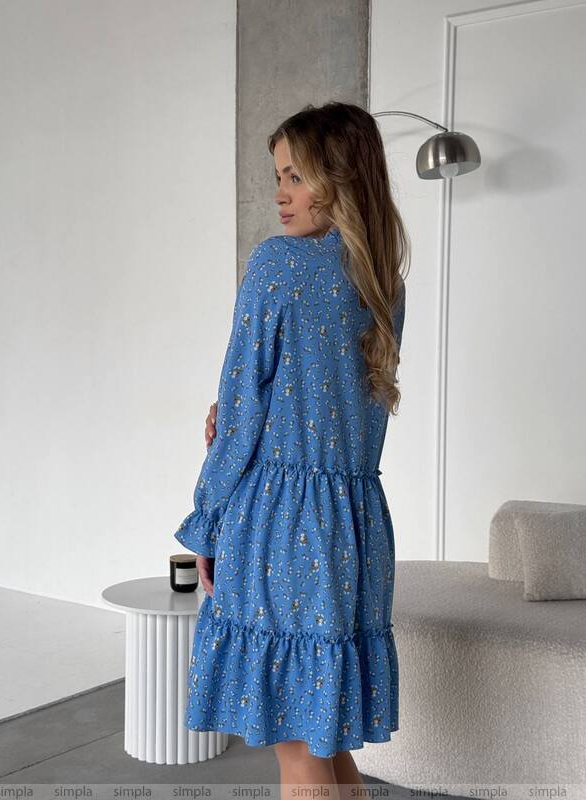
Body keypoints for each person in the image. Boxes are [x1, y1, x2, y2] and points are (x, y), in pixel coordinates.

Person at [173, 100, 409, 797]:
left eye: (296, 177)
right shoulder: (383, 279)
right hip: (356, 531)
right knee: (326, 745)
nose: (280, 194)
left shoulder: (279, 264)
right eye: (278, 176)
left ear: (339, 178)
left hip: (281, 527)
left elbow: (242, 413)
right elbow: (334, 405)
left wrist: (206, 521)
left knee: (299, 754)